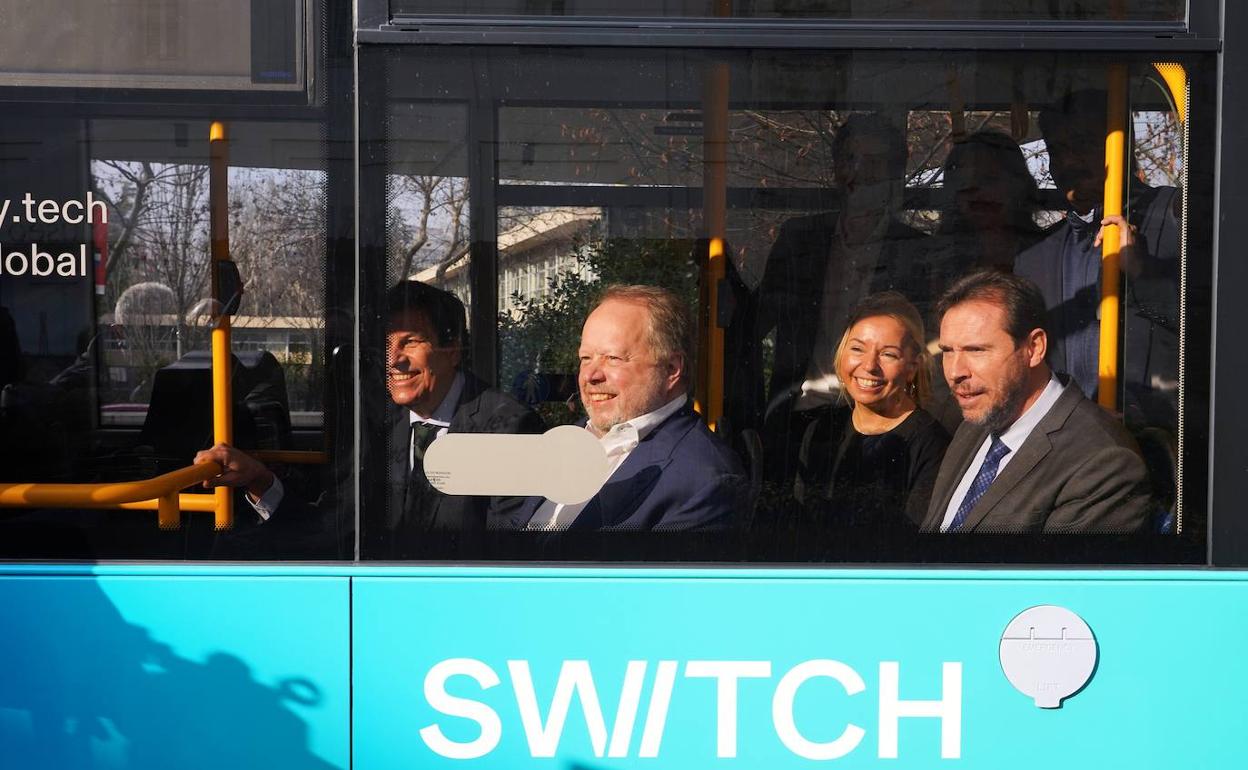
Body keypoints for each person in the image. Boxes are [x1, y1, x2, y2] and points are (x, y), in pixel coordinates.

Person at [195, 280, 544, 557]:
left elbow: (508, 560)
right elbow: (334, 527)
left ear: (452, 350)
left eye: (410, 342)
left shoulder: (508, 428)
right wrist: (258, 479)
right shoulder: (380, 426)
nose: (394, 360)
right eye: (386, 344)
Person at [729, 112, 934, 484]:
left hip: (879, 415)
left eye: (874, 163)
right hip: (798, 417)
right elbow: (750, 326)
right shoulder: (800, 240)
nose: (859, 173)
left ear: (893, 174)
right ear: (837, 169)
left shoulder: (916, 252)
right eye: (849, 160)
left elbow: (926, 346)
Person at [922, 270, 1153, 533]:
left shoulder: (1104, 463)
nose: (955, 372)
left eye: (976, 350)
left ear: (1034, 348)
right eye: (947, 352)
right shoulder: (974, 424)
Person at [500, 284, 747, 531]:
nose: (590, 375)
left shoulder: (702, 480)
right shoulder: (572, 441)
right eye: (585, 358)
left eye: (613, 358)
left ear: (671, 368)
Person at [1014, 88, 1181, 431]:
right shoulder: (1034, 258)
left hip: (1160, 435)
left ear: (1124, 145)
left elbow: (1215, 324)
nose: (1068, 162)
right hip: (1066, 440)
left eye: (1083, 144)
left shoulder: (1177, 215)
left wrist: (1141, 272)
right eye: (1057, 150)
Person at [794, 292, 950, 530]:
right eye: (857, 349)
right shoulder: (822, 430)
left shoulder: (933, 446)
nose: (869, 366)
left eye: (888, 354)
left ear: (912, 368)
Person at [934, 130, 1048, 278]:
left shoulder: (1048, 253)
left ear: (1018, 187)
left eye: (989, 179)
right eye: (965, 182)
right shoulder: (938, 257)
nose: (977, 192)